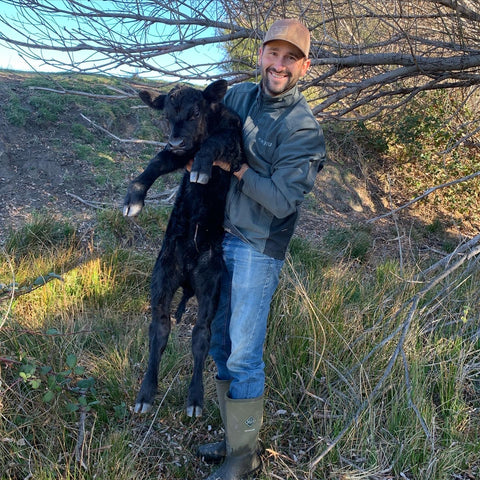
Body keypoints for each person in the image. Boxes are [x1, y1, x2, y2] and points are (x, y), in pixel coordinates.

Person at [198, 18, 326, 480]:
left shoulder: (304, 130)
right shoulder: (238, 96)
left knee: (243, 353)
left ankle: (244, 456)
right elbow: (205, 126)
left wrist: (235, 168)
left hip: (256, 247)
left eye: (291, 58)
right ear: (260, 55)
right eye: (274, 53)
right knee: (218, 340)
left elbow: (280, 199)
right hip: (219, 237)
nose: (279, 64)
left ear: (304, 66)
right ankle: (234, 439)